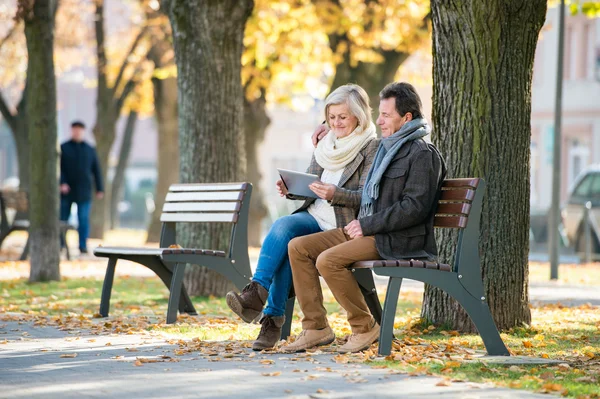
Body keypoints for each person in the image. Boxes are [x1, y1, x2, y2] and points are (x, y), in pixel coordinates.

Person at [281, 82, 446, 354]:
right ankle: (316, 327)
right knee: (298, 247)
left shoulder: (421, 154)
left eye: (385, 115)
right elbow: (351, 131)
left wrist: (367, 224)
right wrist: (326, 125)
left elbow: (414, 208)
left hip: (396, 238)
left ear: (406, 118)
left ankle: (364, 327)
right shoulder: (387, 147)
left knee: (328, 260)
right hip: (369, 230)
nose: (378, 120)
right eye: (379, 114)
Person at [226, 84, 379, 351]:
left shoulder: (371, 147)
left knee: (290, 246)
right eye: (331, 117)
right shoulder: (326, 143)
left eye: (343, 117)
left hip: (341, 226)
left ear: (359, 116)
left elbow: (366, 197)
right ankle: (256, 292)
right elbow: (311, 185)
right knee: (283, 226)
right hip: (314, 216)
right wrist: (292, 190)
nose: (336, 123)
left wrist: (335, 193)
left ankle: (272, 318)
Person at [60, 121, 104, 254]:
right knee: (63, 218)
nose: (77, 132)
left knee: (83, 219)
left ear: (83, 131)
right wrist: (62, 183)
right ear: (71, 130)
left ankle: (83, 245)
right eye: (75, 130)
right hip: (66, 191)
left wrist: (100, 188)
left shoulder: (90, 149)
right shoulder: (63, 147)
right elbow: (59, 168)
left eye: (79, 130)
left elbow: (96, 170)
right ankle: (61, 243)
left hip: (84, 191)